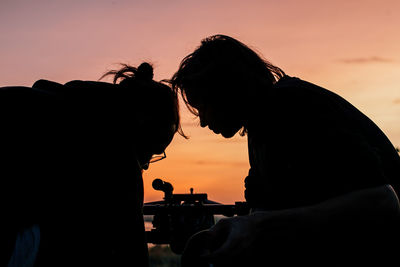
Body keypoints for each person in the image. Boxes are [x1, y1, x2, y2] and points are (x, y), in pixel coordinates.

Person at [170, 35, 400, 266]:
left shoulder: (292, 106)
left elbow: (383, 202)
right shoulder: (263, 126)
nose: (203, 122)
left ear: (227, 90)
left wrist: (258, 227)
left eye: (204, 108)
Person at [1, 62, 184, 267]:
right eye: (151, 152)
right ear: (142, 121)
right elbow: (132, 253)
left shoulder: (70, 103)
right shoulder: (116, 146)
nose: (146, 165)